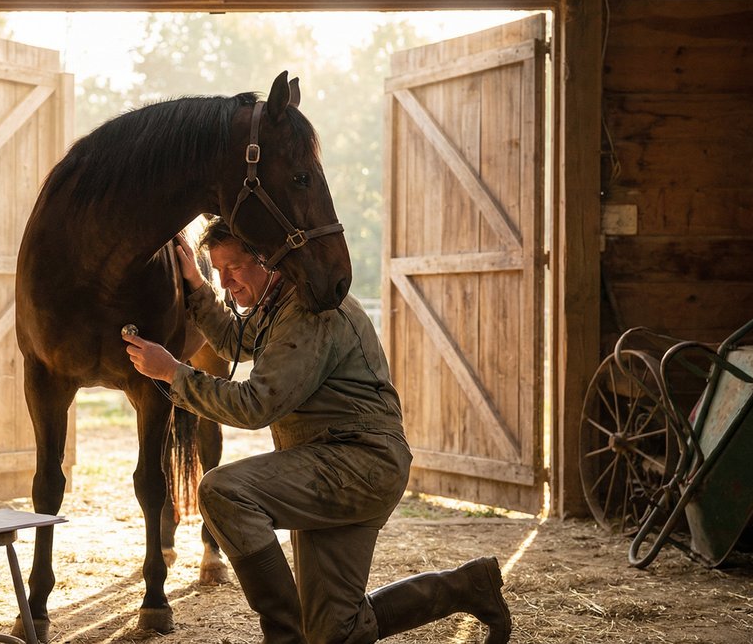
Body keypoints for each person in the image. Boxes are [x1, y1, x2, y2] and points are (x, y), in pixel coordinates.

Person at [122, 218, 511, 644]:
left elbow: (255, 405)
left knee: (223, 491)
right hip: (331, 464)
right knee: (334, 633)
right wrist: (197, 286)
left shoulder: (310, 310)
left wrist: (174, 374)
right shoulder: (281, 302)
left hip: (356, 463)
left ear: (267, 257)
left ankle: (284, 637)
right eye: (217, 270)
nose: (226, 281)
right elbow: (237, 342)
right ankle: (468, 586)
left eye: (232, 267)